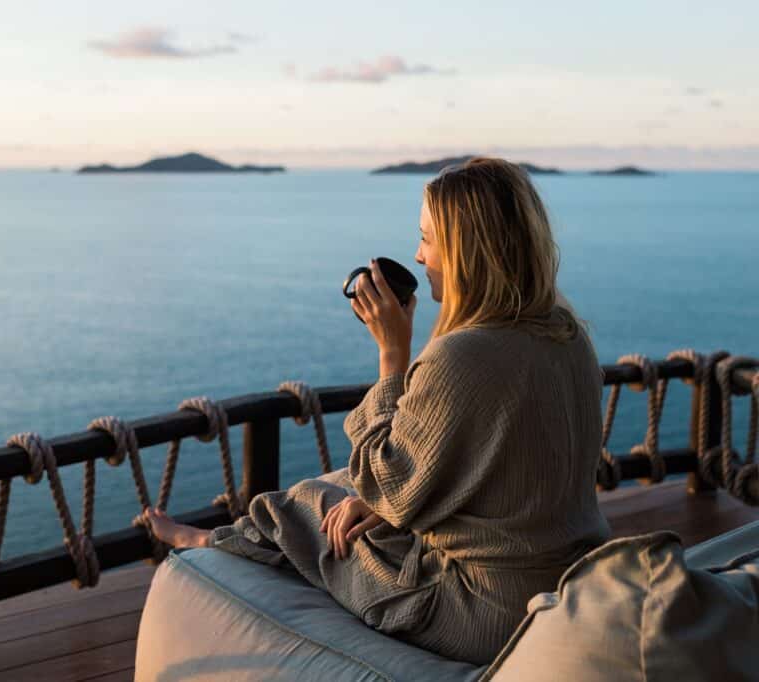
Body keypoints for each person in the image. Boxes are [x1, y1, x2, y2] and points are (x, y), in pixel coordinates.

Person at [144, 156, 612, 665]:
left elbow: (381, 478)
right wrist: (382, 502)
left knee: (311, 507)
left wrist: (393, 354)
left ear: (464, 249)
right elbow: (487, 469)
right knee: (348, 497)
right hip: (568, 579)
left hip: (482, 610)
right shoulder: (566, 336)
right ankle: (225, 539)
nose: (418, 255)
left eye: (428, 240)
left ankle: (210, 542)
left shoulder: (463, 355)